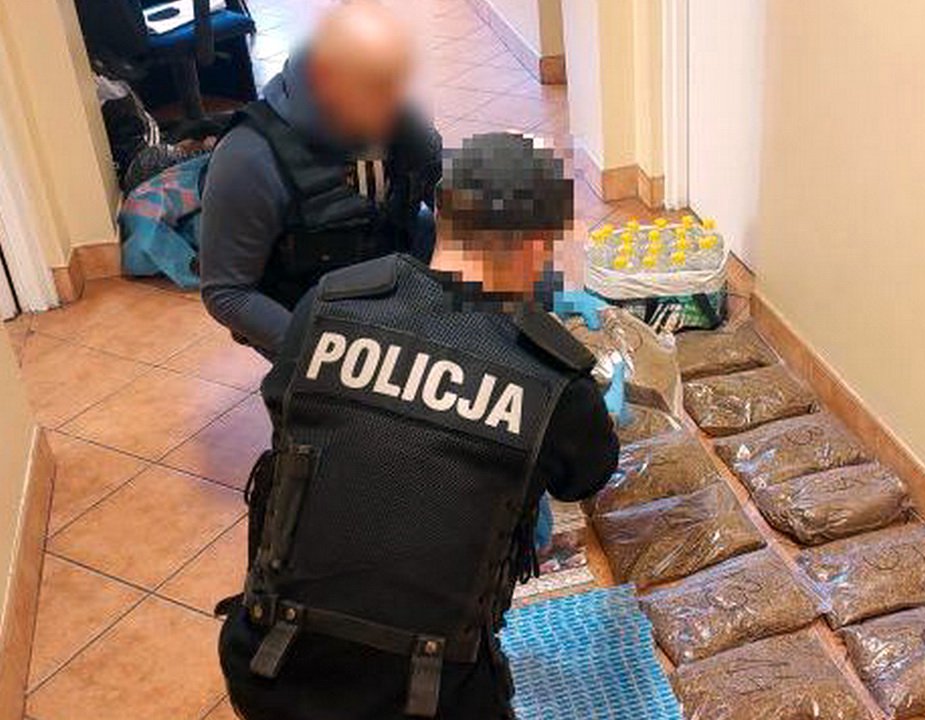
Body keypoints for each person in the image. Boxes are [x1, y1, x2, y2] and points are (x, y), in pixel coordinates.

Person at [218, 132, 621, 720]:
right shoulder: (553, 376)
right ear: (538, 246)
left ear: (444, 213)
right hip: (430, 699)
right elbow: (588, 474)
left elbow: (285, 411)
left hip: (269, 665)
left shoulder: (330, 302)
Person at [200, 0, 440, 359]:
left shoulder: (396, 118)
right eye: (375, 88)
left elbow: (450, 200)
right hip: (308, 322)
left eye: (394, 85)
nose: (393, 103)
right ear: (326, 79)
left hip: (385, 281)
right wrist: (324, 354)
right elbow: (227, 293)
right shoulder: (248, 158)